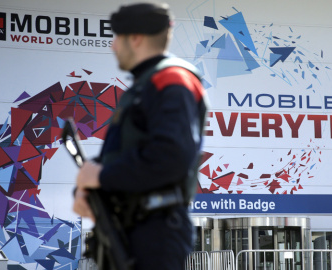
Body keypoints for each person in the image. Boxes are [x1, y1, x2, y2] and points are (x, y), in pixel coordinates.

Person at [73, 2, 208, 270]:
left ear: (135, 39)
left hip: (154, 231)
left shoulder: (171, 81)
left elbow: (170, 156)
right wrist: (88, 189)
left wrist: (100, 176)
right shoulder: (145, 85)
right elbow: (123, 154)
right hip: (132, 228)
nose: (113, 46)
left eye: (117, 38)